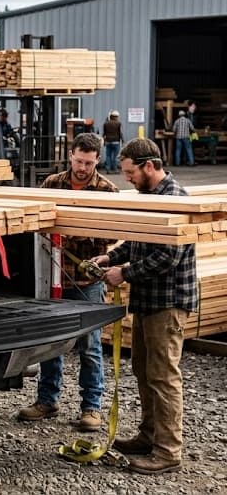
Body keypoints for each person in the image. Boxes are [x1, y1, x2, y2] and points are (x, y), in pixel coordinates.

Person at [90, 138, 197, 475]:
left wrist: (124, 273)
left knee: (164, 376)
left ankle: (168, 451)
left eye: (130, 173)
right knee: (143, 370)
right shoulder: (150, 198)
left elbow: (169, 256)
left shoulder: (175, 199)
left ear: (149, 166)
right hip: (147, 301)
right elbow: (136, 241)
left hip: (167, 302)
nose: (128, 180)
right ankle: (149, 436)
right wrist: (111, 256)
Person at [18, 133, 118, 431]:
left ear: (97, 159)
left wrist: (77, 231)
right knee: (51, 343)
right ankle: (47, 400)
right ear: (70, 156)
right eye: (78, 161)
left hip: (86, 281)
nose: (83, 168)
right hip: (53, 278)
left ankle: (92, 407)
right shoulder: (52, 184)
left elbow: (113, 235)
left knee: (89, 345)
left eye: (88, 163)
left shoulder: (107, 190)